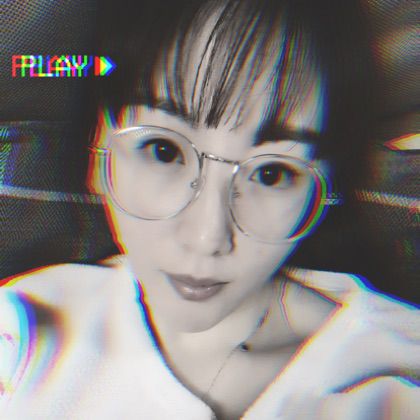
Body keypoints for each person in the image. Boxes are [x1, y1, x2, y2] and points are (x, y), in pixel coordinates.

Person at [1, 0, 418, 418]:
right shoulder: (23, 332)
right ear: (98, 153)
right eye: (163, 151)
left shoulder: (396, 367)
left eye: (271, 173)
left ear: (322, 191)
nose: (207, 237)